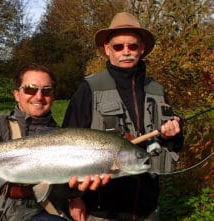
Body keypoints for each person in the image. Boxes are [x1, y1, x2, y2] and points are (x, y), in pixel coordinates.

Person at [62, 12, 184, 221]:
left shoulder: (157, 89)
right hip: (102, 211)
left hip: (148, 208)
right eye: (118, 46)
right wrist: (73, 197)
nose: (126, 52)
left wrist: (173, 134)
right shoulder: (89, 88)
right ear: (107, 49)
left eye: (132, 46)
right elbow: (64, 146)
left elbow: (174, 145)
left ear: (142, 48)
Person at [0, 63, 105, 221]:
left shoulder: (64, 139)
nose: (39, 96)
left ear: (53, 96)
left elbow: (59, 187)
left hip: (33, 213)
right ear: (17, 94)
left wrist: (75, 193)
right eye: (30, 89)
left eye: (46, 90)